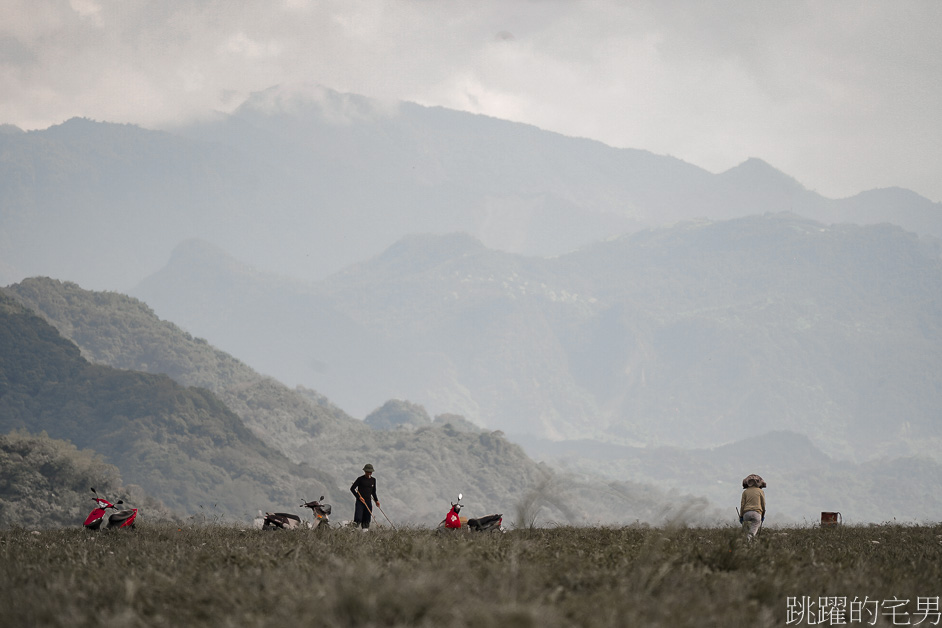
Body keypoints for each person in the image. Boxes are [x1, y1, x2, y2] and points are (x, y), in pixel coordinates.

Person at [350, 463, 380, 529]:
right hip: (360, 502)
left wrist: (376, 501)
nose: (369, 473)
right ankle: (354, 530)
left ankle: (365, 532)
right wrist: (358, 497)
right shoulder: (360, 479)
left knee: (367, 519)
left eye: (370, 472)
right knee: (358, 517)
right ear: (365, 471)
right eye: (368, 472)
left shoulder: (373, 480)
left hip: (368, 502)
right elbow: (352, 489)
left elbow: (373, 492)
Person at [739, 474, 766, 540]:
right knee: (752, 533)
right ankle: (749, 545)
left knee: (746, 532)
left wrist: (741, 516)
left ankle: (745, 545)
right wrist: (762, 516)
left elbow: (742, 505)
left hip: (746, 514)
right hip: (757, 513)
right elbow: (763, 505)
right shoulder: (760, 491)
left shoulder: (745, 492)